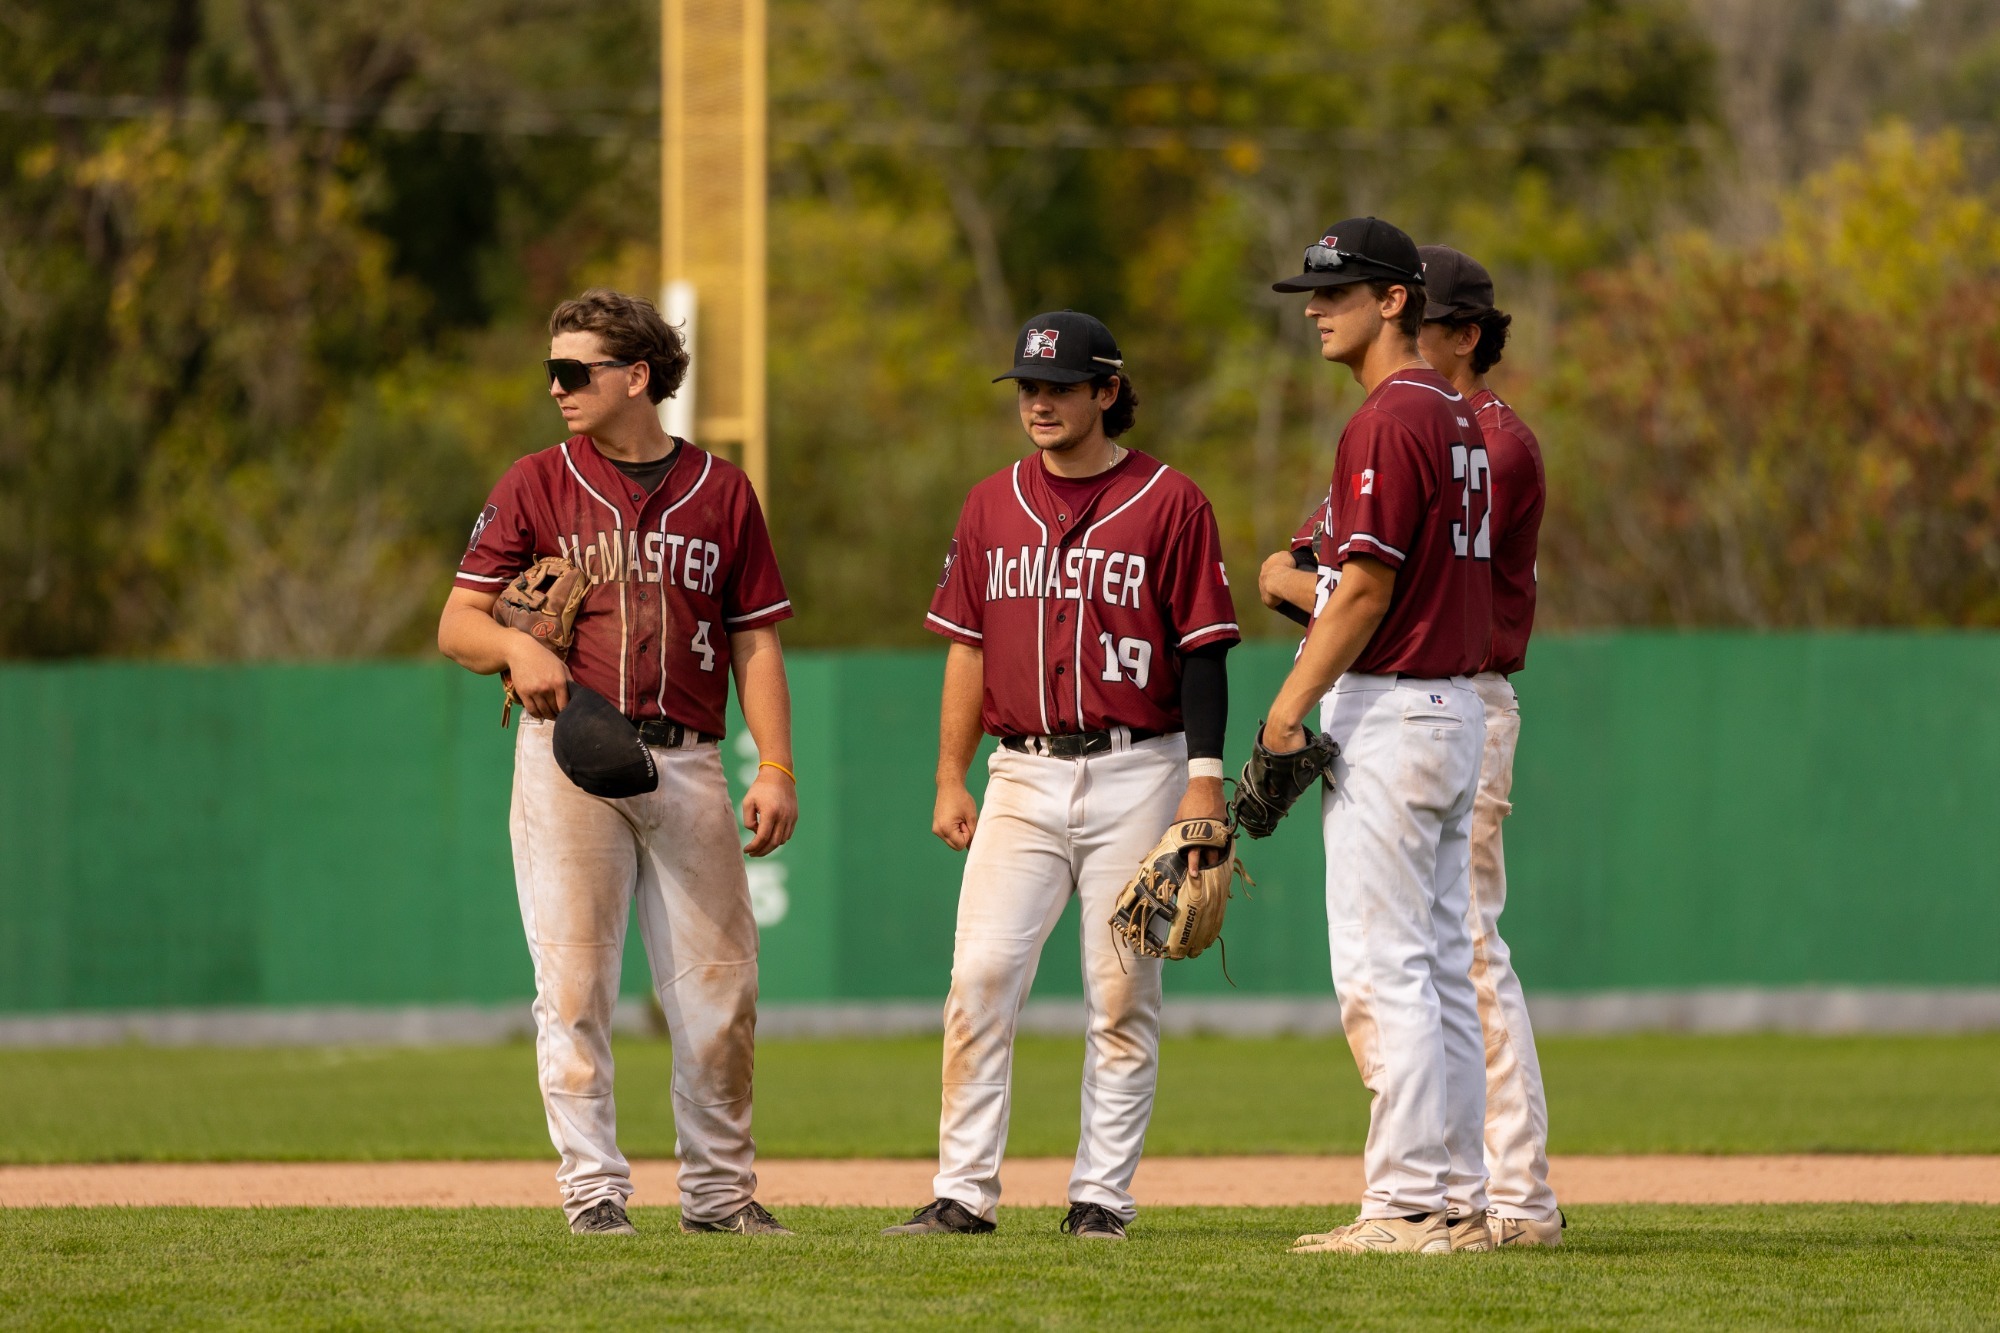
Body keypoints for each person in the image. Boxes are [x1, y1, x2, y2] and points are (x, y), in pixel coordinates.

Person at [438, 288, 798, 1237]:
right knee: (573, 982)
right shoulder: (534, 482)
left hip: (688, 760)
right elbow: (457, 622)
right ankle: (594, 1192)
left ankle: (720, 1200)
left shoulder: (722, 490)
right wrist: (518, 649)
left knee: (722, 990)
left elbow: (756, 639)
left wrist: (778, 768)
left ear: (636, 376)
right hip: (567, 756)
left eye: (575, 371)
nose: (556, 387)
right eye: (551, 370)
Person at [885, 310, 1239, 1242]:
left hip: (1140, 767)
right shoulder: (989, 503)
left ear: (1107, 392)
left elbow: (1204, 652)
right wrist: (948, 776)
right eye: (1028, 388)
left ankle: (1101, 1199)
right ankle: (963, 1192)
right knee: (981, 978)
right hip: (1021, 773)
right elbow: (965, 647)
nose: (1039, 403)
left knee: (1121, 990)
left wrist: (1205, 777)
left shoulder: (1172, 501)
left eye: (1059, 387)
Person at [1255, 219, 1496, 1255]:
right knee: (1438, 962)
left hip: (1394, 707)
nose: (1315, 307)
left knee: (1381, 965)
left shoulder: (1387, 419)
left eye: (1338, 290)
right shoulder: (1457, 415)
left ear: (1393, 300)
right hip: (1454, 709)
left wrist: (1283, 706)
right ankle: (1454, 1195)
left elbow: (1360, 590)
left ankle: (1402, 1203)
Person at [1413, 245, 1560, 1246]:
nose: (1394, 335)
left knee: (1465, 949)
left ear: (1464, 334)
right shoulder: (1401, 428)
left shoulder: (1495, 445)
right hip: (1401, 694)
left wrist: (1327, 586)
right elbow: (1287, 568)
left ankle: (1512, 1197)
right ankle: (1453, 1187)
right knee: (1416, 956)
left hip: (1464, 693)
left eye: (1412, 320)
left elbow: (1363, 577)